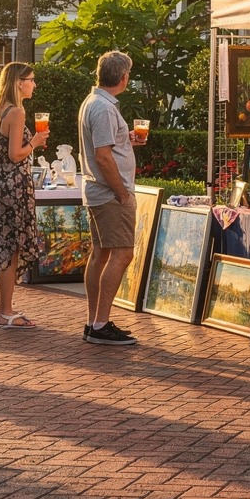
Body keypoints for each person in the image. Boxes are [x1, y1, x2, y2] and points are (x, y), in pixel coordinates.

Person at [78, 50, 146, 346]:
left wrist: (125, 138)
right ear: (123, 78)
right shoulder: (104, 108)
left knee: (100, 254)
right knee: (122, 253)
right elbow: (103, 157)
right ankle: (101, 324)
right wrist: (122, 192)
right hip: (109, 194)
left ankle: (95, 321)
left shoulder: (93, 102)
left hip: (96, 192)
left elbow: (105, 145)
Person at [0, 63, 47, 328]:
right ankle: (6, 312)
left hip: (2, 183)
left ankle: (6, 309)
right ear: (18, 82)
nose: (34, 84)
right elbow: (15, 155)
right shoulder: (17, 112)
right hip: (14, 184)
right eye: (31, 80)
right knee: (12, 247)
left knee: (7, 244)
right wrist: (35, 142)